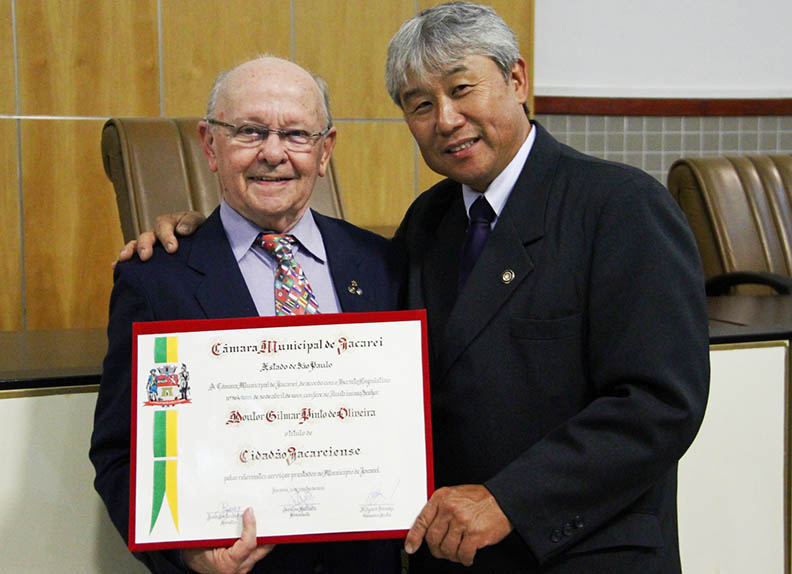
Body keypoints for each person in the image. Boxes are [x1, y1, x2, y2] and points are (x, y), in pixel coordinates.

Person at [122, 3, 710, 572]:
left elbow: (661, 402)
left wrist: (511, 499)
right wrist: (192, 237)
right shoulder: (428, 225)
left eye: (462, 89)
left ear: (517, 79)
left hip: (582, 552)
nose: (446, 119)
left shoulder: (620, 205)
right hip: (448, 559)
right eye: (420, 104)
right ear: (211, 145)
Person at [90, 56, 404, 574]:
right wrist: (188, 555)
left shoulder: (384, 264)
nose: (274, 152)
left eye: (297, 134)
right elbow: (120, 455)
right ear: (210, 146)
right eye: (249, 131)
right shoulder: (155, 282)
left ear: (325, 151)